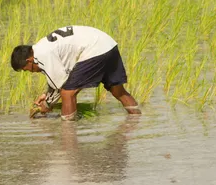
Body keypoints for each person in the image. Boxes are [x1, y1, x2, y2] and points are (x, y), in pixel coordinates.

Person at [11, 25, 140, 120]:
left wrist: (47, 104)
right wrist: (47, 96)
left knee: (68, 93)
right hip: (108, 44)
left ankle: (69, 137)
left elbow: (61, 85)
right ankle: (137, 120)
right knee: (118, 90)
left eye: (26, 69)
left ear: (29, 60)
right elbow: (59, 79)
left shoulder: (42, 55)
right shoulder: (42, 47)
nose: (31, 72)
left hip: (95, 49)